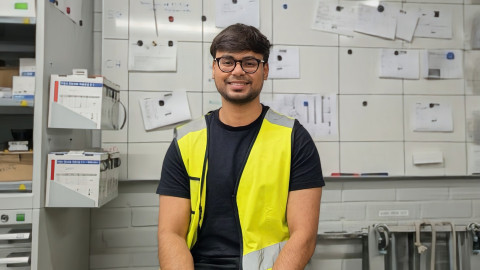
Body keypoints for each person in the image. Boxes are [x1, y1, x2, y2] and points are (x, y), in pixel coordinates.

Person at [157, 23, 324, 270]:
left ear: (265, 70)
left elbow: (304, 237)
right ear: (214, 68)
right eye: (227, 61)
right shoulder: (185, 140)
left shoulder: (294, 139)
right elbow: (170, 234)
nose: (238, 71)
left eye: (249, 62)